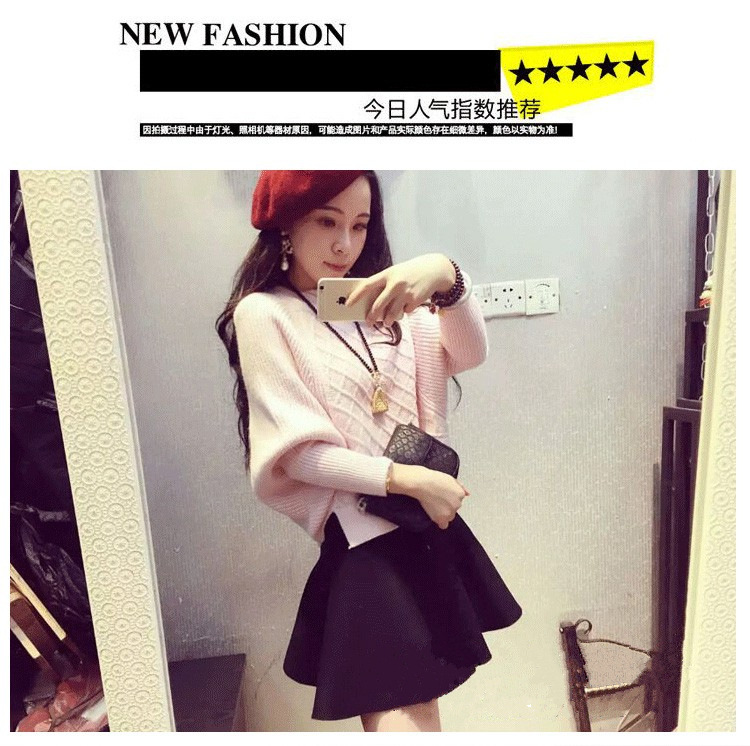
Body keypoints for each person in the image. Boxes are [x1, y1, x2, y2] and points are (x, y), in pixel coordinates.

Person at [216, 171, 522, 732]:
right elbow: (296, 454)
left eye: (359, 225)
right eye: (326, 222)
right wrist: (411, 480)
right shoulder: (266, 313)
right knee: (406, 722)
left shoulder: (384, 304)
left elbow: (469, 352)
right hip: (366, 549)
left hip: (421, 533)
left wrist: (448, 276)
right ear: (286, 226)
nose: (344, 245)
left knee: (424, 715)